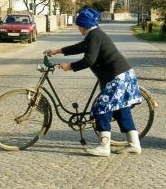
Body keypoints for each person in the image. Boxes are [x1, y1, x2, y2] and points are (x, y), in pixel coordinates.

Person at [44, 8, 143, 157]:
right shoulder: (94, 34)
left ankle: (104, 147)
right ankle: (134, 144)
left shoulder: (95, 36)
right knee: (121, 110)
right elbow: (81, 47)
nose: (79, 29)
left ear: (84, 25)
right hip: (121, 75)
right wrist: (57, 51)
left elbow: (89, 60)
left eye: (79, 26)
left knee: (102, 107)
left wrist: (69, 66)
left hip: (117, 78)